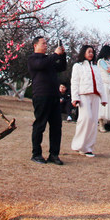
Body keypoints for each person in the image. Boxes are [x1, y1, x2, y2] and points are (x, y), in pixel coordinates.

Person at [28, 36, 67, 165]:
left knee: (56, 126)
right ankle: (36, 154)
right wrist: (55, 55)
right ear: (35, 46)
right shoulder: (33, 59)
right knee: (40, 125)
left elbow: (61, 67)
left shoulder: (49, 59)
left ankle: (54, 154)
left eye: (46, 43)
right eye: (43, 43)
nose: (46, 45)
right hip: (41, 95)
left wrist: (62, 55)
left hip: (54, 96)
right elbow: (41, 65)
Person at [71, 44, 107, 156]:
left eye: (92, 52)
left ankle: (88, 148)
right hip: (83, 95)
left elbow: (100, 83)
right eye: (89, 52)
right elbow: (75, 82)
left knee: (93, 121)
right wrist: (75, 97)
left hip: (95, 96)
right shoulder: (78, 66)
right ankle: (79, 145)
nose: (91, 54)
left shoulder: (96, 67)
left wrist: (104, 98)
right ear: (84, 53)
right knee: (86, 118)